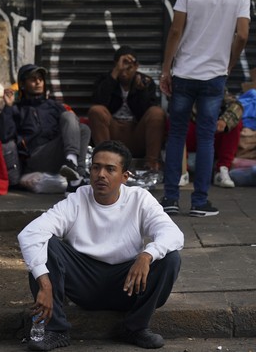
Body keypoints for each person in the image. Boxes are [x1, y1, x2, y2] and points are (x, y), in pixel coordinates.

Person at [17, 140, 184, 350]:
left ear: (125, 176)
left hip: (127, 284)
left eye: (110, 169)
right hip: (83, 281)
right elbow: (30, 233)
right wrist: (45, 282)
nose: (101, 174)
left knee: (171, 258)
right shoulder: (77, 199)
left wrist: (147, 255)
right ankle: (55, 330)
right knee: (45, 244)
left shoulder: (140, 199)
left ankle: (135, 328)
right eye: (96, 167)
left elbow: (173, 234)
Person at [159, 0, 250, 217]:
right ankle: (200, 202)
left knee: (176, 136)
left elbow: (176, 30)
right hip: (214, 77)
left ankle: (171, 199)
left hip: (185, 73)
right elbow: (243, 35)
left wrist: (166, 68)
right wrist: (230, 63)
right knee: (207, 137)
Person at [1, 63, 91, 193]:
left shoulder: (53, 106)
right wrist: (8, 107)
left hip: (57, 157)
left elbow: (73, 126)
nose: (38, 82)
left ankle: (76, 173)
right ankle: (75, 173)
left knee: (82, 128)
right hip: (35, 158)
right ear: (22, 84)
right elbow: (4, 135)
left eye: (40, 79)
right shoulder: (17, 109)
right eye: (33, 79)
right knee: (73, 121)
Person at [87, 46, 166, 172]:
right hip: (113, 132)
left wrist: (142, 90)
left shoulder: (145, 82)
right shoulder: (105, 80)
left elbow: (148, 115)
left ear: (136, 66)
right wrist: (114, 75)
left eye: (128, 67)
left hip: (136, 133)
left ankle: (151, 164)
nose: (124, 72)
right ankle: (106, 162)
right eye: (121, 67)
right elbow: (98, 102)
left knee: (157, 112)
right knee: (96, 110)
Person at [186, 89, 244, 188]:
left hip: (213, 130)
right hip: (194, 129)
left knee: (233, 124)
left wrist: (225, 121)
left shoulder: (215, 83)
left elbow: (236, 106)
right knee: (176, 123)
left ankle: (222, 170)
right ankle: (181, 171)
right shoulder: (183, 82)